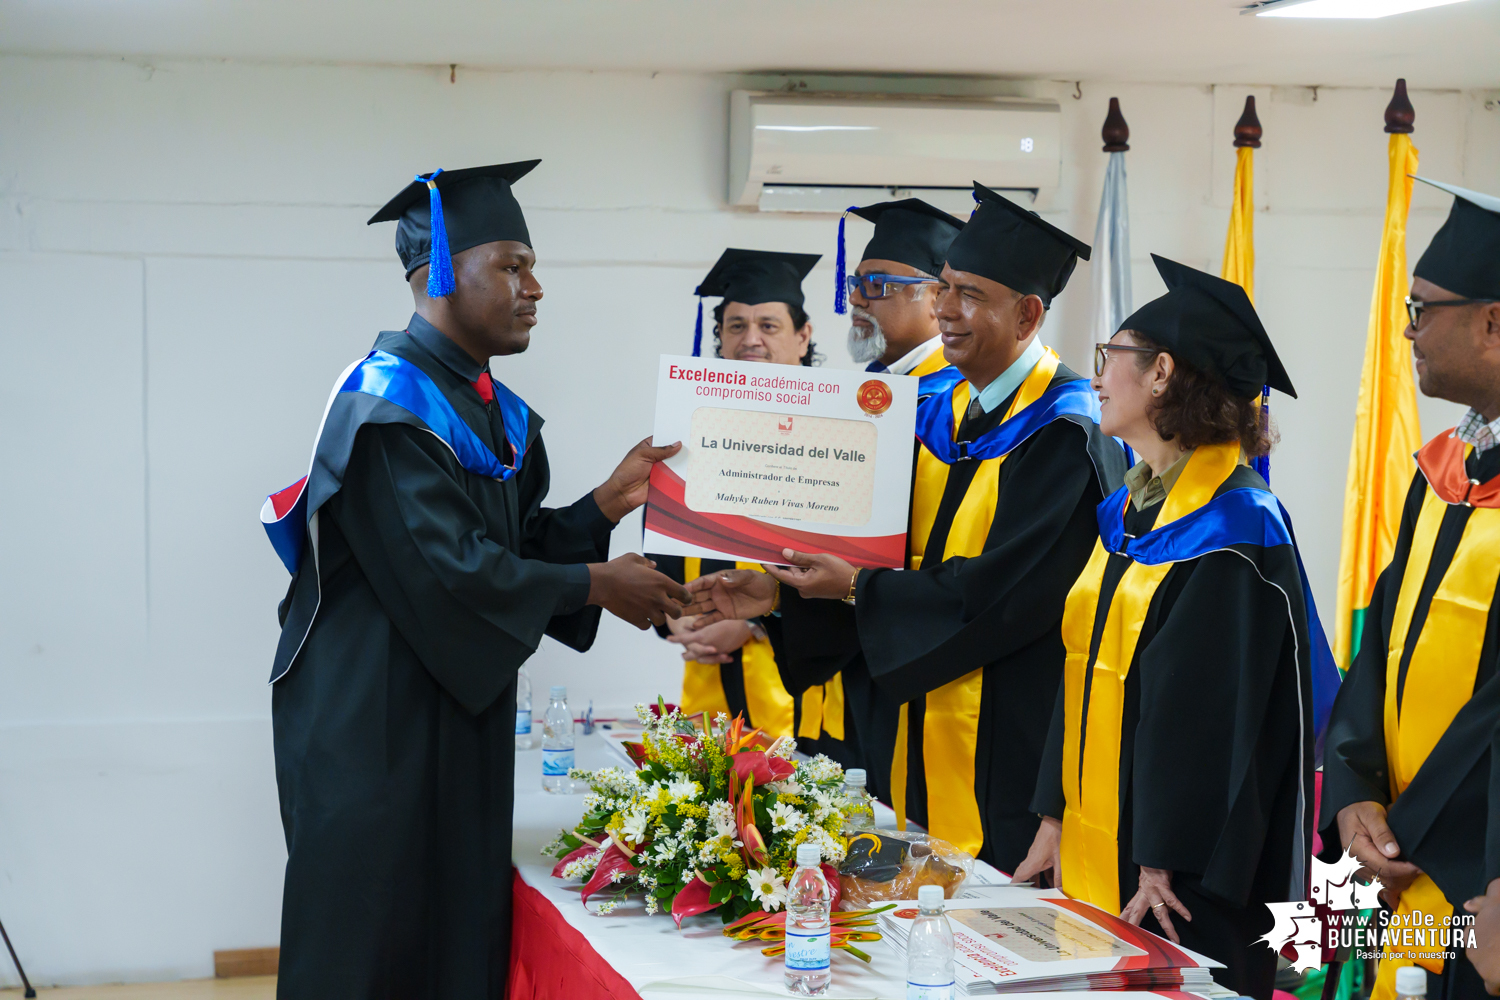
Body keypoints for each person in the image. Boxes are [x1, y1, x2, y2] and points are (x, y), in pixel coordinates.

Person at [264, 161, 689, 1000]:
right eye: (511, 264)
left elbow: (515, 544)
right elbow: (450, 575)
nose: (536, 287)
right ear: (438, 276)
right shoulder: (386, 410)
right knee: (373, 953)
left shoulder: (493, 409)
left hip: (451, 719)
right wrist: (597, 585)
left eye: (531, 266)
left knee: (455, 941)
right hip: (373, 733)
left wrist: (603, 504)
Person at [682, 184, 1127, 872]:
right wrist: (782, 601)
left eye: (969, 294)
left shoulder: (1066, 434)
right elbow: (899, 566)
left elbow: (1005, 599)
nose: (945, 310)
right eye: (944, 287)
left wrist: (859, 588)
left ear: (1029, 314)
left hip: (1004, 752)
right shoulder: (947, 420)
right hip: (906, 741)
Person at [1012, 254, 1336, 1000]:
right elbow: (1081, 663)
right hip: (1106, 836)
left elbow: (1207, 717)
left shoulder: (1236, 526)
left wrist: (1160, 859)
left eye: (1110, 357)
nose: (1096, 374)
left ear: (1161, 373)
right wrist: (1055, 814)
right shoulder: (1130, 509)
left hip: (1179, 876)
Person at [1320, 178, 1500, 1000]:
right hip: (1399, 855)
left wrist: (1407, 831)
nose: (1407, 327)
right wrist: (1355, 791)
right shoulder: (1442, 472)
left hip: (1480, 877)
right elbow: (1381, 643)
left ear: (1492, 322)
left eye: (1422, 308)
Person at [772, 198, 965, 795]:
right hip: (855, 660)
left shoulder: (965, 405)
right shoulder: (872, 394)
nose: (856, 297)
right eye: (856, 282)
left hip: (931, 668)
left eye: (877, 284)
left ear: (937, 297)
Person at [649, 249, 822, 740]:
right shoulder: (692, 428)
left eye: (768, 325)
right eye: (736, 325)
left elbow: (842, 564)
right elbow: (664, 543)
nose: (751, 340)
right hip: (702, 679)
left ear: (803, 335)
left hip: (797, 685)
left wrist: (753, 625)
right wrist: (671, 620)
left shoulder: (833, 433)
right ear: (719, 338)